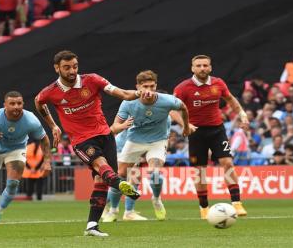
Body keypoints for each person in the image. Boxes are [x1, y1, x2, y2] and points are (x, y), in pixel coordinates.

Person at [35, 50, 150, 237]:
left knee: (101, 180)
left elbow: (122, 94)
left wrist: (139, 93)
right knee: (101, 166)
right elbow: (39, 102)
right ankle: (119, 183)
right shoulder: (51, 92)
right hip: (81, 140)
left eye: (74, 66)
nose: (72, 71)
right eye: (67, 67)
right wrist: (53, 125)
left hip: (105, 135)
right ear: (57, 68)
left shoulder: (93, 80)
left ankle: (91, 226)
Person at [104, 70, 191, 222]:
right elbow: (113, 128)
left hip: (157, 141)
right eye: (145, 87)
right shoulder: (129, 102)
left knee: (155, 173)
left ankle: (156, 200)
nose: (149, 91)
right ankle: (112, 210)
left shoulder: (166, 101)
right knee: (120, 176)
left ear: (156, 86)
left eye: (152, 86)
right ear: (137, 87)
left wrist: (186, 127)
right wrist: (123, 125)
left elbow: (183, 107)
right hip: (133, 141)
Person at [173, 54, 249, 219]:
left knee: (227, 162)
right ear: (192, 68)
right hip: (196, 133)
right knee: (200, 171)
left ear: (210, 67)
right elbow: (171, 109)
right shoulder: (183, 88)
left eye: (205, 65)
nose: (202, 68)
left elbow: (230, 99)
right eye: (198, 66)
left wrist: (242, 113)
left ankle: (236, 203)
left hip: (217, 130)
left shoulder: (218, 83)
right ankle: (204, 207)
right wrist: (185, 125)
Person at [0, 91, 51, 223]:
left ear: (23, 104)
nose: (16, 106)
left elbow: (44, 139)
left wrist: (47, 162)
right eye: (12, 103)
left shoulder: (31, 120)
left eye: (19, 103)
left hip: (16, 150)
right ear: (5, 105)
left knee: (12, 184)